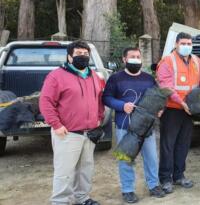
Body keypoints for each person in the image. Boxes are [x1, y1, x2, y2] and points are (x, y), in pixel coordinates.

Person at [40, 41, 104, 205]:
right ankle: (60, 201)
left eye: (85, 53)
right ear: (69, 56)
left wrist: (99, 117)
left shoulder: (94, 76)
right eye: (78, 53)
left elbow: (99, 100)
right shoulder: (56, 76)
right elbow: (46, 102)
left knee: (85, 170)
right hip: (67, 133)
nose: (82, 56)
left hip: (89, 133)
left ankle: (82, 198)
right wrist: (56, 125)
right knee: (64, 172)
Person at [103, 48, 166, 203]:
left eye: (138, 57)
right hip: (125, 126)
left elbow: (158, 96)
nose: (136, 59)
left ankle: (153, 185)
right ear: (124, 59)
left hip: (146, 127)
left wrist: (160, 108)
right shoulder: (115, 78)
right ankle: (128, 190)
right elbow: (106, 98)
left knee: (151, 158)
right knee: (126, 159)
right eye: (132, 57)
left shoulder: (148, 78)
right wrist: (121, 105)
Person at [156, 32, 200, 193]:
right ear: (177, 44)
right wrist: (182, 103)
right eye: (184, 43)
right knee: (167, 145)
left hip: (189, 110)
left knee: (183, 145)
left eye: (189, 43)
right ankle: (165, 178)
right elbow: (166, 87)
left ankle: (178, 175)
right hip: (172, 109)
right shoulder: (167, 61)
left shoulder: (196, 61)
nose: (187, 46)